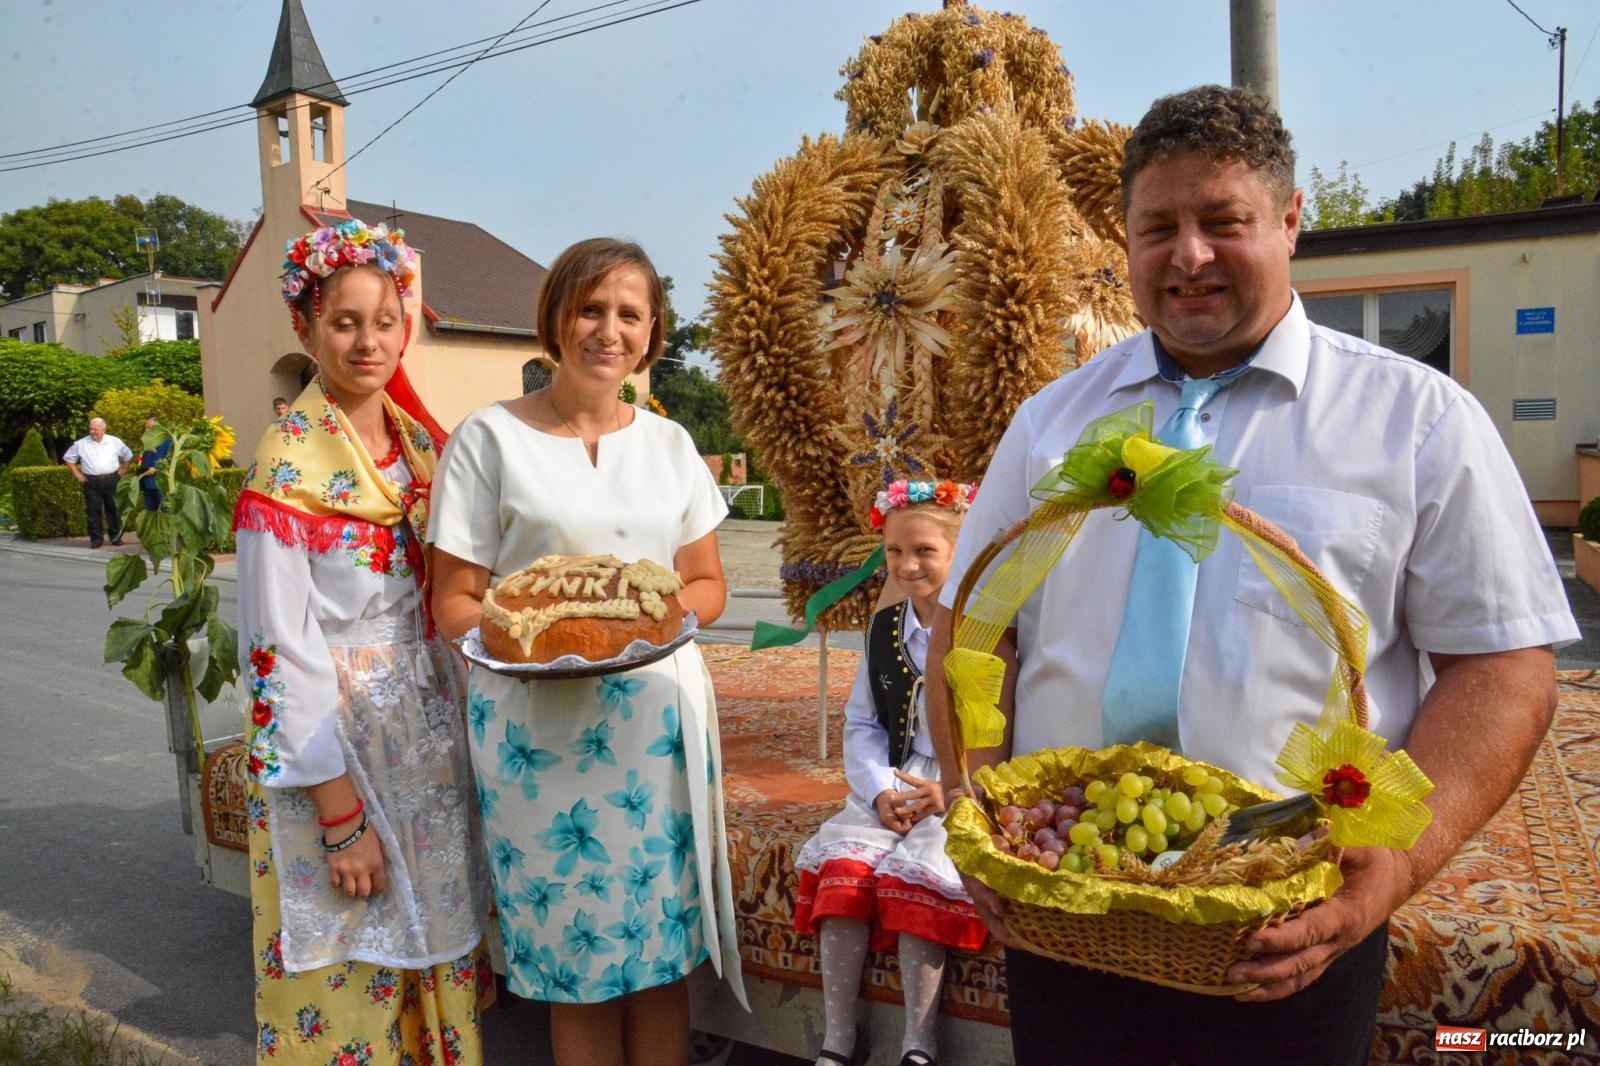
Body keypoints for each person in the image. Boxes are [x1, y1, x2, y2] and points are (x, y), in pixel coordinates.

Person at [926, 85, 1579, 1066]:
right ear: (1127, 241)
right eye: (1157, 228)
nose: (1187, 255)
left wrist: (1393, 865)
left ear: (1288, 221)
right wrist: (967, 805)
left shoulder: (1416, 422)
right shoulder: (1051, 421)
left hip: (1285, 923)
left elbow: (1500, 669)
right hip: (1066, 905)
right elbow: (976, 630)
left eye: (1221, 221)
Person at [430, 237, 747, 1066]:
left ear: (652, 333)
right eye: (592, 309)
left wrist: (644, 622)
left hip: (657, 730)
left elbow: (705, 582)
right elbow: (454, 598)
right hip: (539, 736)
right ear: (556, 321)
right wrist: (530, 649)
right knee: (578, 964)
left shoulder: (671, 446)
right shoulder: (489, 439)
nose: (609, 330)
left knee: (663, 953)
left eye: (629, 314)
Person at [232, 219, 492, 1064]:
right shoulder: (289, 468)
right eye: (344, 322)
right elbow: (279, 648)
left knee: (439, 953)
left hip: (425, 747)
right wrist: (339, 819)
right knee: (351, 969)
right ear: (306, 328)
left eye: (385, 321)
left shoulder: (418, 448)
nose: (368, 341)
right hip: (336, 751)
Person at [794, 479, 985, 1066]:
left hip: (965, 784)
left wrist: (954, 787)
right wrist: (879, 790)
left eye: (925, 551)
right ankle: (838, 1038)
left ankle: (918, 1043)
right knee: (846, 871)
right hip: (897, 780)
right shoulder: (885, 629)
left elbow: (1008, 722)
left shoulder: (985, 631)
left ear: (958, 552)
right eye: (896, 551)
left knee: (918, 878)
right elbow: (863, 723)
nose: (906, 565)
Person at [62, 417, 132, 547]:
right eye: (91, 429)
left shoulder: (114, 442)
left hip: (112, 479)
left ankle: (116, 537)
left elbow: (128, 455)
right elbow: (68, 458)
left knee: (114, 509)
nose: (92, 431)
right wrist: (77, 474)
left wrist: (123, 470)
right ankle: (96, 540)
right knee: (93, 512)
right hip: (91, 481)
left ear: (103, 429)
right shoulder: (81, 444)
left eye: (95, 429)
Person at [136, 416, 171, 513]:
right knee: (150, 514)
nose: (147, 430)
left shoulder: (168, 442)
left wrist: (156, 469)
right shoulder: (147, 444)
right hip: (147, 485)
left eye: (150, 428)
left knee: (164, 513)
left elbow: (171, 462)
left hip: (161, 486)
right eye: (146, 427)